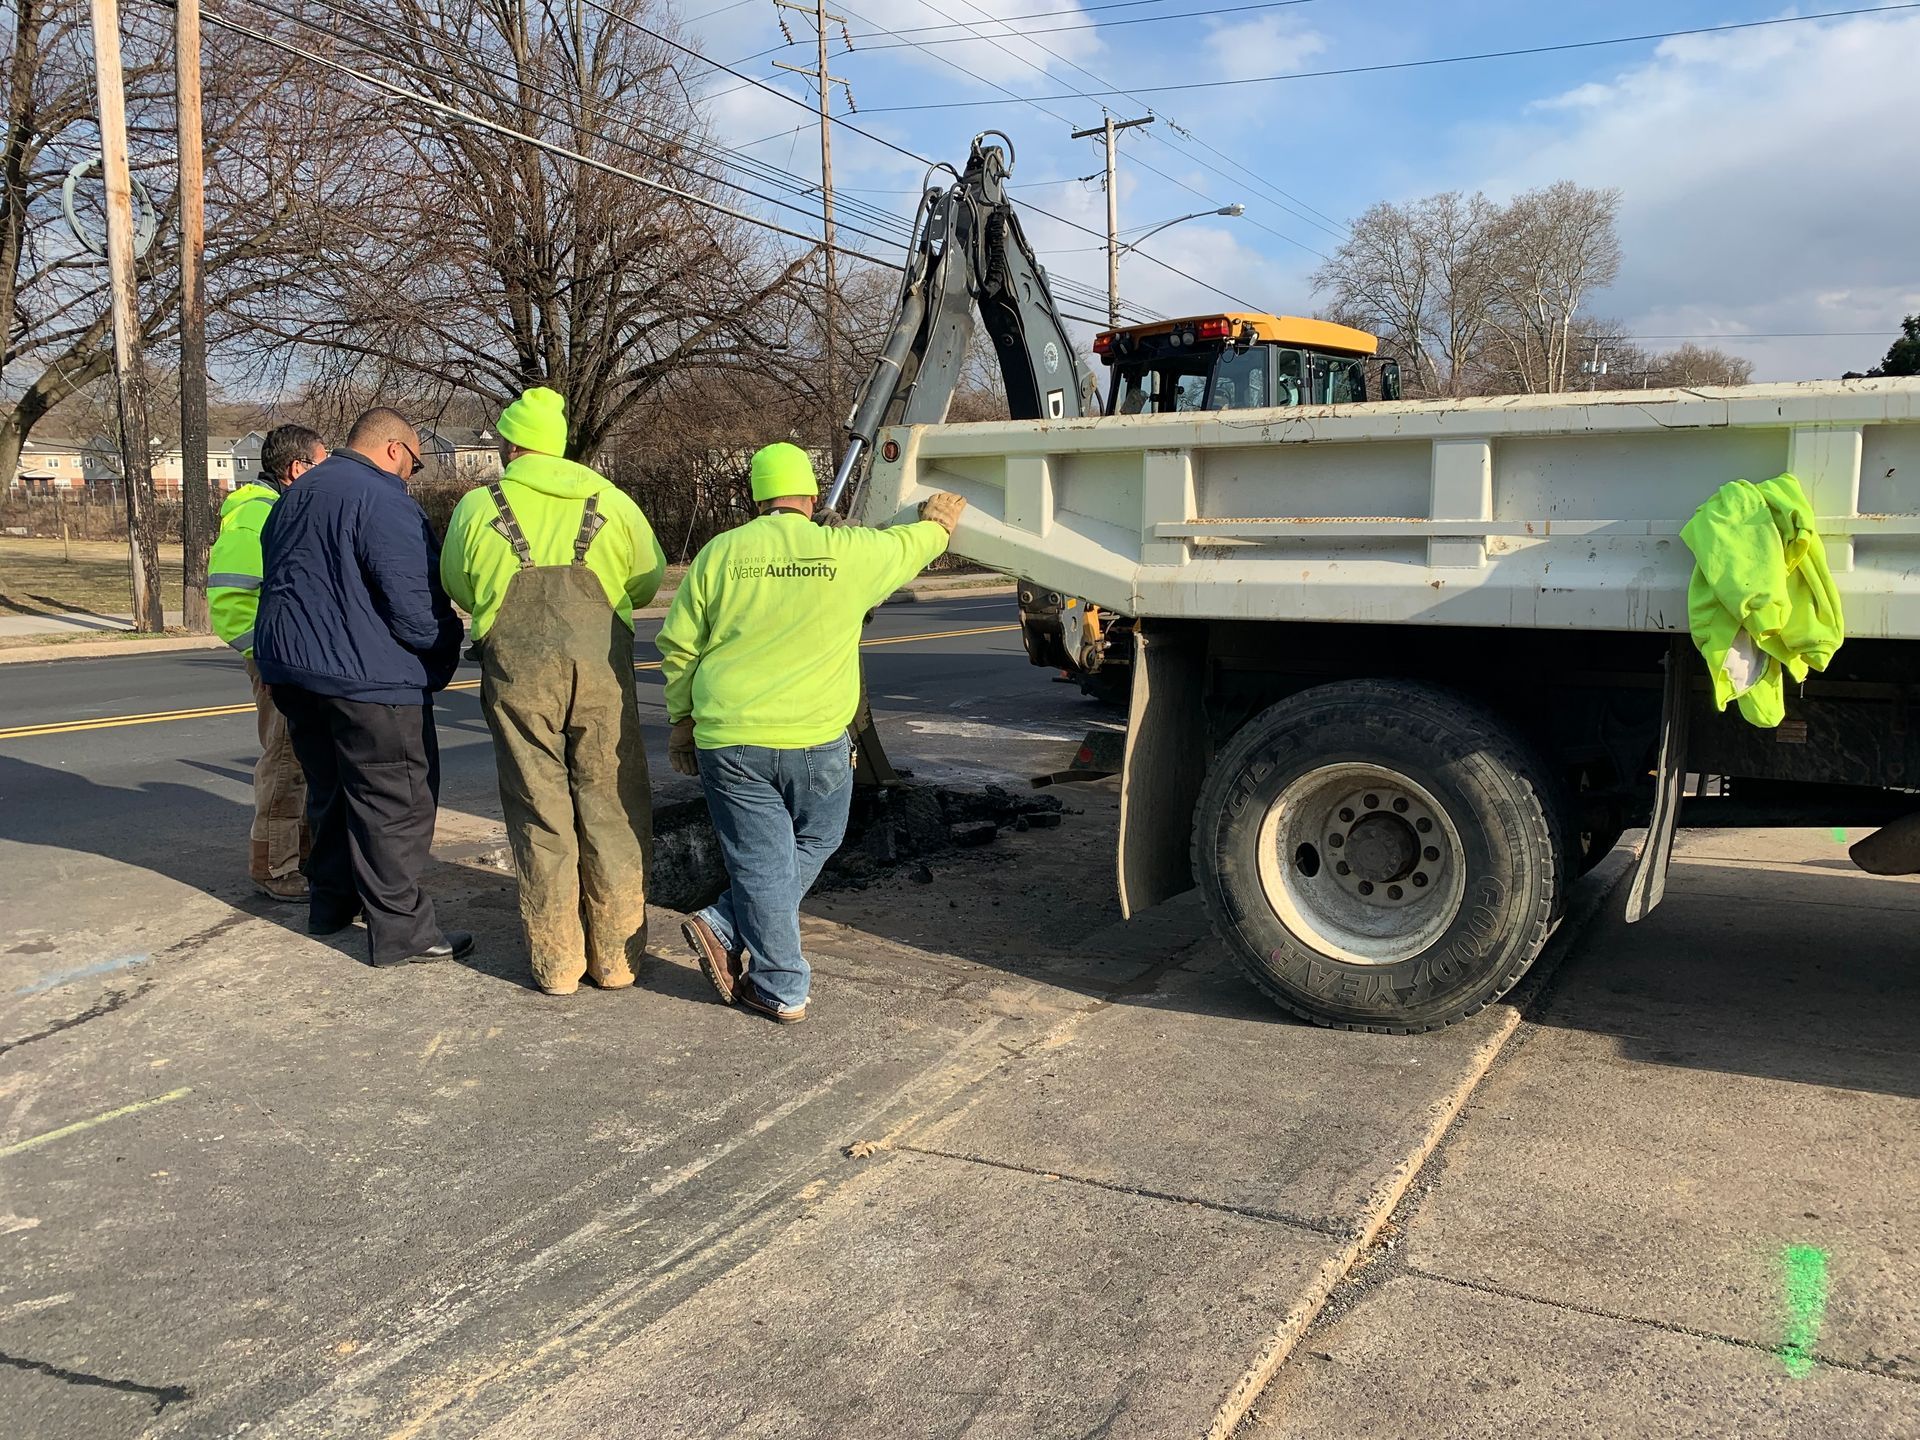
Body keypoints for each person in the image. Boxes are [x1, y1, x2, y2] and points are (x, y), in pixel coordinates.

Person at [658, 441, 966, 1023]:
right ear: (813, 496)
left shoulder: (720, 553)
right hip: (819, 738)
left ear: (755, 497)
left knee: (759, 859)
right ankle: (778, 984)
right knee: (817, 840)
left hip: (731, 736)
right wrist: (938, 524)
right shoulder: (848, 551)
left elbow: (678, 645)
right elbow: (913, 545)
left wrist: (681, 721)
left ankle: (728, 924)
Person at [440, 388, 666, 995]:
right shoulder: (611, 502)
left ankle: (557, 964)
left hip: (518, 672)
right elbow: (646, 580)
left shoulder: (477, 505)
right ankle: (618, 959)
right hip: (601, 670)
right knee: (612, 805)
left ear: (513, 445)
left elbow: (455, 582)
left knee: (540, 809)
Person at [253, 407, 470, 968]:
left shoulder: (295, 493)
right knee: (394, 802)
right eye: (415, 464)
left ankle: (330, 905)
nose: (411, 475)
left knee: (330, 791)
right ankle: (403, 933)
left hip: (293, 672)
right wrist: (446, 655)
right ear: (395, 449)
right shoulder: (382, 498)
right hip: (367, 678)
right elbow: (415, 605)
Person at [209, 423, 325, 902]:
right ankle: (275, 869)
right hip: (278, 660)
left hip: (294, 657)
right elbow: (228, 596)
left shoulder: (277, 509)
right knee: (283, 760)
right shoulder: (257, 515)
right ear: (297, 470)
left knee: (300, 759)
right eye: (322, 467)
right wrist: (267, 654)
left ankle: (297, 857)